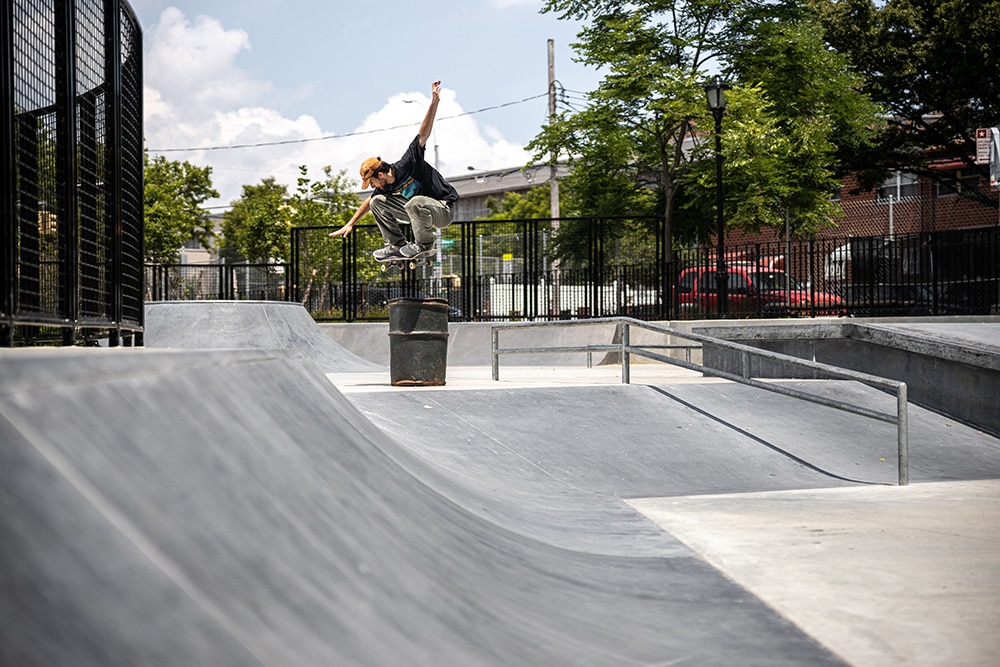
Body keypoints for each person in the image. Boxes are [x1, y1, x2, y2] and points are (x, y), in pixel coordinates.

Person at [329, 80, 459, 260]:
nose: (373, 186)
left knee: (415, 202)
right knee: (377, 202)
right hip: (419, 213)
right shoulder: (385, 186)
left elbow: (423, 133)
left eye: (372, 182)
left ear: (380, 175)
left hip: (442, 209)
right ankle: (396, 245)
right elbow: (369, 202)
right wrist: (350, 224)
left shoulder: (409, 161)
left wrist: (434, 102)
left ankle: (424, 245)